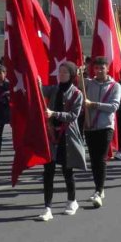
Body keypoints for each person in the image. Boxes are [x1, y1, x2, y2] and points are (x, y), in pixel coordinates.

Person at [38, 61, 86, 220]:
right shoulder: (54, 89)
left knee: (67, 171)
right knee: (48, 172)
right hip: (51, 136)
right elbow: (39, 90)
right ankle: (47, 208)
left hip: (67, 136)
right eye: (60, 71)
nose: (61, 74)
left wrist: (54, 114)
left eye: (65, 72)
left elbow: (73, 116)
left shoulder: (77, 94)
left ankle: (72, 200)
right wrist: (36, 81)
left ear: (71, 75)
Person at [83, 56, 121, 208]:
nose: (99, 71)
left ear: (107, 68)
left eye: (102, 68)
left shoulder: (115, 86)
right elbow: (74, 85)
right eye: (96, 68)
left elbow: (114, 106)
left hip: (106, 127)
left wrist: (94, 104)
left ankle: (98, 191)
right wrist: (80, 71)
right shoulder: (88, 83)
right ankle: (99, 186)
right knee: (93, 160)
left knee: (101, 158)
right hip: (90, 126)